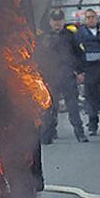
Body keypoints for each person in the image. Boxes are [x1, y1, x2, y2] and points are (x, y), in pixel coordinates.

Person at [36, 8, 88, 143]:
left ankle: (80, 133)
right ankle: (48, 134)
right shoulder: (43, 37)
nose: (57, 23)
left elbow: (79, 54)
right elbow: (38, 57)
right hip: (50, 76)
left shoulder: (70, 35)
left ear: (63, 21)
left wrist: (80, 71)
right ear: (50, 21)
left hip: (67, 74)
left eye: (59, 20)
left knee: (73, 106)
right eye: (54, 21)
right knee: (50, 106)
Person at [74, 8, 100, 135]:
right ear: (85, 20)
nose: (91, 19)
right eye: (88, 17)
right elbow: (76, 53)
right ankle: (93, 123)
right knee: (92, 98)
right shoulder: (80, 34)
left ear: (97, 18)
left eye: (93, 17)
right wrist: (79, 71)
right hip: (89, 69)